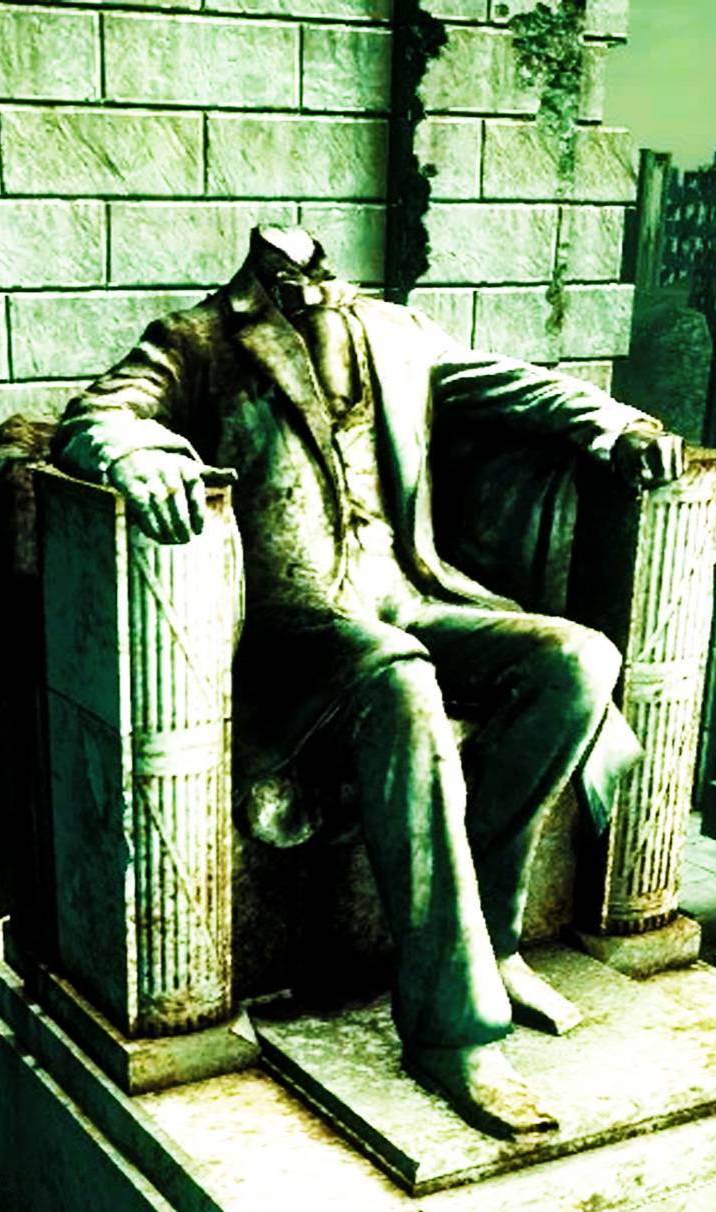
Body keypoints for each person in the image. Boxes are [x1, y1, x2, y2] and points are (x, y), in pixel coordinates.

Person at [53, 226, 684, 1138]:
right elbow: (100, 415)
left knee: (579, 660)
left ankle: (490, 940)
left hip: (408, 596)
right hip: (294, 637)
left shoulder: (396, 332)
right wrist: (140, 457)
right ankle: (454, 1031)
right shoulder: (198, 340)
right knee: (399, 677)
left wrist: (616, 423)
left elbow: (520, 386)